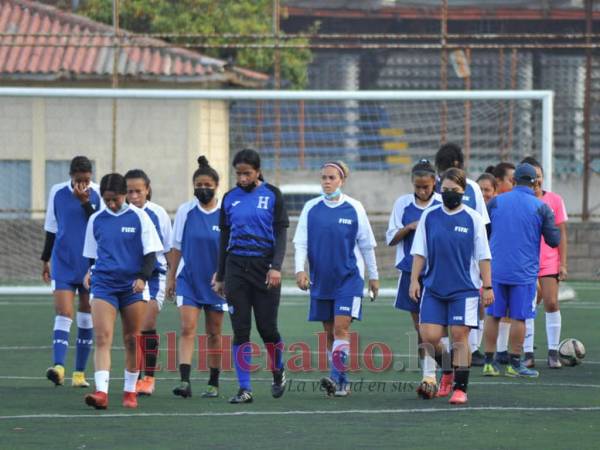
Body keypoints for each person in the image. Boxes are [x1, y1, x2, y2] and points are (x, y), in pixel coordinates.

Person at [294, 161, 379, 397]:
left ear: (342, 180)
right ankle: (342, 381)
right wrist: (300, 270)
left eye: (332, 178)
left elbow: (367, 245)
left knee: (341, 329)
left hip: (349, 280)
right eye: (324, 178)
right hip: (321, 281)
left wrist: (374, 276)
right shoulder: (310, 208)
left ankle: (333, 377)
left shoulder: (355, 208)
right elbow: (300, 242)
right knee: (330, 333)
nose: (327, 182)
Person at [409, 168, 493, 405]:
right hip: (434, 288)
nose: (449, 194)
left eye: (454, 191)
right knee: (429, 336)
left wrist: (487, 287)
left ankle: (460, 388)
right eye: (445, 190)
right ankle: (446, 369)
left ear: (463, 192)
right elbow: (419, 252)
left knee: (459, 335)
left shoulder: (473, 219)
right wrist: (414, 280)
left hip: (463, 289)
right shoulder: (430, 216)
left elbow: (484, 256)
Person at [213, 149, 289, 404]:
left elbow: (280, 235)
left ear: (258, 172)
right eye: (238, 174)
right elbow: (224, 238)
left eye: (247, 173)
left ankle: (278, 372)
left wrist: (276, 266)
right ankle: (244, 388)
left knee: (267, 329)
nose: (242, 178)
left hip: (264, 269)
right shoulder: (229, 198)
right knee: (240, 330)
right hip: (236, 269)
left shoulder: (272, 195)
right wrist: (221, 275)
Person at [82, 173, 163, 409]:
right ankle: (101, 393)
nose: (111, 203)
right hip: (104, 284)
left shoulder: (140, 218)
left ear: (124, 195)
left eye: (115, 198)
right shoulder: (96, 220)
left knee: (131, 339)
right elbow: (92, 254)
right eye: (106, 199)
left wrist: (142, 278)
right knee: (102, 337)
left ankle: (130, 392)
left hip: (132, 288)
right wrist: (90, 271)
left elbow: (151, 254)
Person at [482, 163, 560, 379]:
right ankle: (514, 364)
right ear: (535, 183)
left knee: (493, 315)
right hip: (524, 272)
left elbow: (484, 232)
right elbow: (554, 240)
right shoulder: (541, 207)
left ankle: (489, 363)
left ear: (514, 181)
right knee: (519, 318)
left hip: (496, 269)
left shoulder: (497, 202)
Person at [167, 156, 229, 399]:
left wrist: (224, 275)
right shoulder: (186, 210)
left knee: (214, 333)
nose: (203, 189)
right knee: (187, 328)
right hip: (188, 280)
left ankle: (213, 383)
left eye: (207, 185)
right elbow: (176, 246)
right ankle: (184, 382)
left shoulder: (225, 212)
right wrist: (171, 277)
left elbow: (230, 247)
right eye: (198, 185)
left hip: (216, 284)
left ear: (216, 185)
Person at [42, 156, 102, 388]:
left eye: (86, 180)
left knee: (86, 315)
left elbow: (98, 222)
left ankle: (79, 374)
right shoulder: (57, 192)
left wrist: (85, 202)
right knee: (63, 312)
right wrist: (45, 259)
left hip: (88, 264)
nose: (83, 184)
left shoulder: (97, 194)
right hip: (63, 262)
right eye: (79, 180)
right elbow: (51, 227)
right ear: (71, 176)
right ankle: (58, 367)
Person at [434, 143, 490, 367]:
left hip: (468, 258)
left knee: (472, 302)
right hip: (442, 259)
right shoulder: (437, 187)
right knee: (446, 305)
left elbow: (483, 223)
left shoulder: (472, 188)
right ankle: (451, 354)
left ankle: (473, 349)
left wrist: (480, 254)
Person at [386, 159, 439, 370]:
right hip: (411, 271)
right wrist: (409, 227)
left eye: (426, 187)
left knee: (434, 324)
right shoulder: (403, 204)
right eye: (418, 187)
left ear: (434, 182)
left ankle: (435, 368)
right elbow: (391, 238)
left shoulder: (442, 203)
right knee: (420, 326)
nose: (422, 191)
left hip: (437, 271)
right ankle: (426, 361)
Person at [124, 169, 172, 395]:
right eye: (129, 191)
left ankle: (149, 378)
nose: (133, 196)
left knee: (147, 324)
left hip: (154, 276)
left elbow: (168, 249)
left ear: (147, 190)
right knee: (133, 330)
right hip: (128, 277)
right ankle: (135, 376)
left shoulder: (158, 213)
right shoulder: (121, 214)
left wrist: (172, 278)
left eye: (138, 191)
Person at [520, 157, 568, 369]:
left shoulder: (555, 200)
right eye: (532, 177)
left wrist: (563, 263)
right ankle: (528, 353)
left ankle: (553, 352)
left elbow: (561, 234)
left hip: (549, 263)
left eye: (538, 176)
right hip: (526, 263)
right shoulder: (520, 201)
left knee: (551, 302)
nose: (536, 180)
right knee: (528, 306)